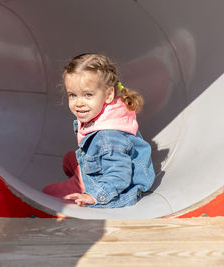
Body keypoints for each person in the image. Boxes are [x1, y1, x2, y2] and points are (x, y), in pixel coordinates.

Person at [42, 53, 155, 208]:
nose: (79, 103)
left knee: (47, 193)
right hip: (108, 163)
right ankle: (81, 164)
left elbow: (119, 175)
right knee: (72, 158)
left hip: (104, 185)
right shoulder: (113, 110)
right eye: (73, 95)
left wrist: (93, 195)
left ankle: (80, 178)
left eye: (88, 95)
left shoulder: (107, 138)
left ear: (108, 94)